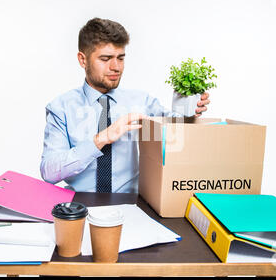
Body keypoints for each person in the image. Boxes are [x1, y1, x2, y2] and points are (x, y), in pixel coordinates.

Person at [40, 18, 210, 193]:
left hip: (132, 204)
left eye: (120, 58)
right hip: (81, 204)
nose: (116, 67)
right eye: (105, 59)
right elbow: (49, 172)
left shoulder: (142, 101)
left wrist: (191, 111)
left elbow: (176, 125)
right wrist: (101, 139)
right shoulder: (61, 108)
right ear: (83, 60)